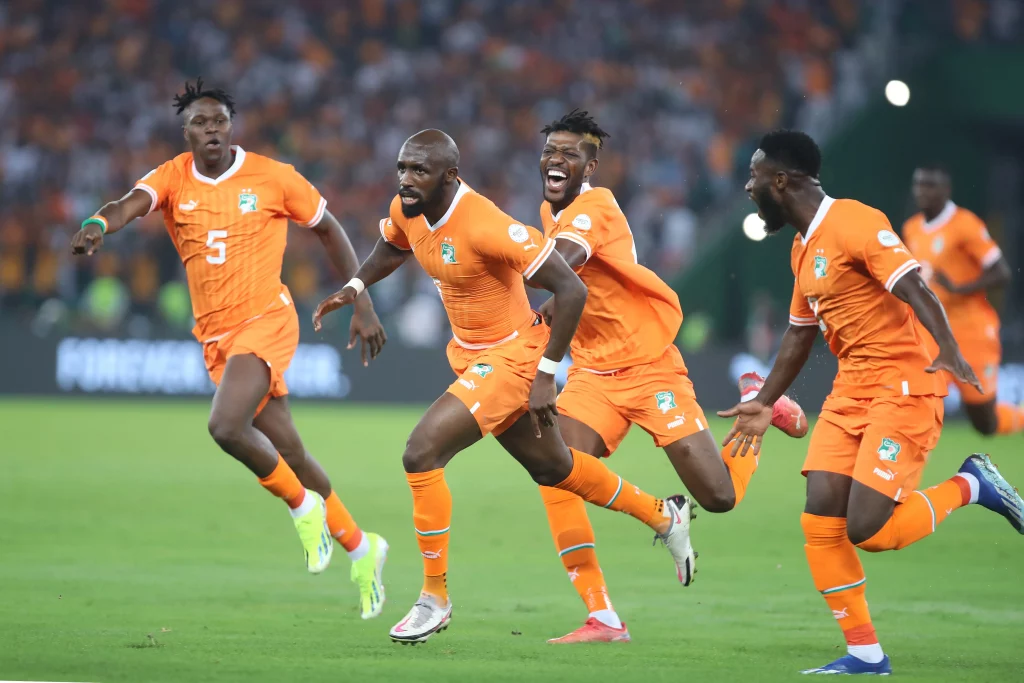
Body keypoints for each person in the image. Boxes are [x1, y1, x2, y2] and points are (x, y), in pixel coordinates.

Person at [313, 129, 694, 645]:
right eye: (402, 167)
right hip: (471, 357)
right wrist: (356, 288)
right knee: (555, 467)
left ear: (450, 176)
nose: (405, 179)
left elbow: (571, 287)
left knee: (421, 452)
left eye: (418, 171)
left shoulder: (488, 224)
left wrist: (545, 373)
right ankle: (662, 515)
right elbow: (392, 244)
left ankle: (434, 598)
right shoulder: (408, 206)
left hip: (515, 356)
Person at [70, 80, 389, 619]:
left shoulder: (273, 176)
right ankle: (363, 549)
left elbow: (329, 228)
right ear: (186, 131)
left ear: (231, 126)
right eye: (200, 122)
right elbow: (128, 204)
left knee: (225, 427)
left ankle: (302, 509)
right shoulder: (173, 176)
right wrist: (100, 222)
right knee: (291, 453)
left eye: (219, 120)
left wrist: (359, 300)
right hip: (216, 337)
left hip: (266, 319)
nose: (211, 130)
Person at [720, 130, 1024, 675]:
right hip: (851, 389)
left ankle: (972, 484)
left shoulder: (857, 221)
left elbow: (915, 289)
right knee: (819, 518)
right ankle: (865, 652)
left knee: (869, 529)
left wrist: (950, 350)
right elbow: (797, 335)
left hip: (904, 384)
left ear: (781, 181)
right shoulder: (801, 247)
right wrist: (766, 400)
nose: (747, 186)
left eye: (753, 175)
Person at [532, 110, 808, 644]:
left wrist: (497, 261)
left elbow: (561, 264)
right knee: (552, 466)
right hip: (593, 373)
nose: (556, 159)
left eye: (570, 152)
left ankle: (762, 405)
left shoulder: (596, 206)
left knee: (720, 497)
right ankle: (604, 615)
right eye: (550, 150)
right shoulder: (550, 210)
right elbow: (565, 280)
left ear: (591, 163)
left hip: (648, 367)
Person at [901, 164, 1020, 435]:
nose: (922, 191)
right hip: (932, 333)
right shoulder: (912, 229)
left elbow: (1001, 273)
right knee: (918, 402)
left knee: (984, 422)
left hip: (971, 331)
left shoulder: (965, 224)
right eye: (919, 184)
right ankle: (902, 469)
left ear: (946, 190)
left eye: (930, 185)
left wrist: (959, 289)